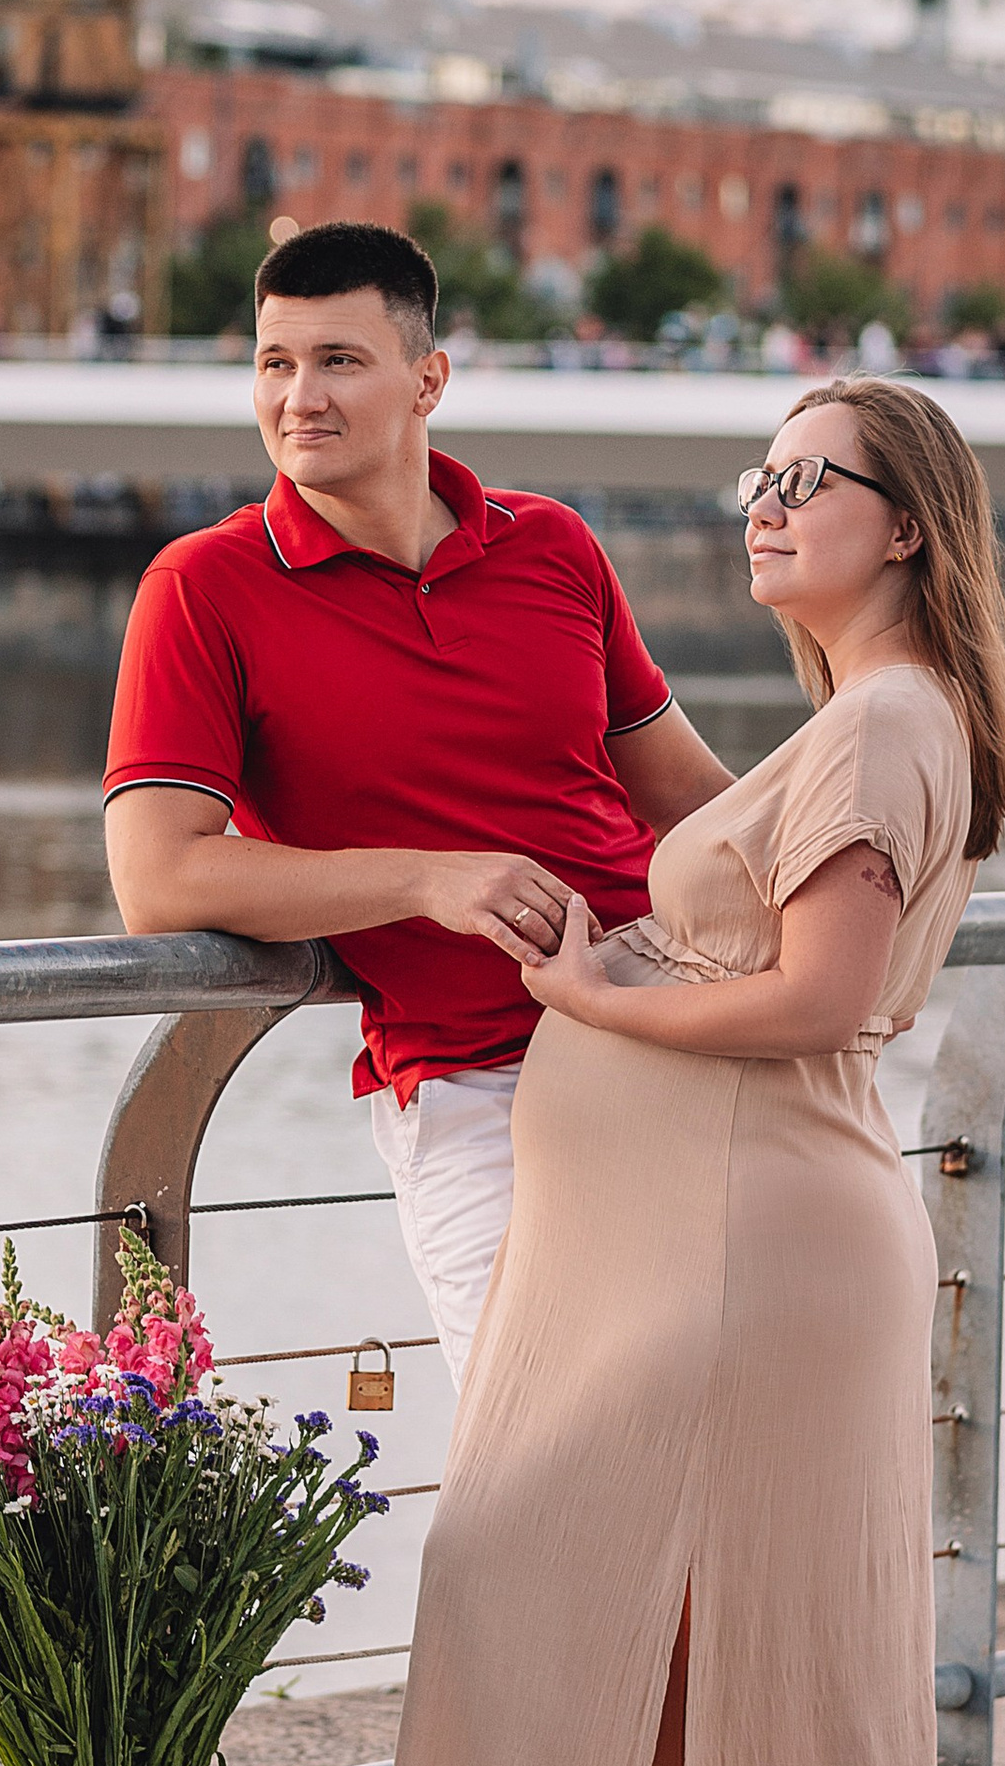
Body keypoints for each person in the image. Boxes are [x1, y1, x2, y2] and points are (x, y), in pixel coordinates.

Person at [376, 376, 1005, 1766]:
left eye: (814, 479)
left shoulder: (890, 723)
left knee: (565, 1573)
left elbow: (821, 996)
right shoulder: (858, 723)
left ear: (903, 526)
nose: (770, 498)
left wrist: (595, 987)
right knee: (736, 1619)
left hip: (747, 1237)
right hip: (718, 1232)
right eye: (764, 470)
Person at [103, 217, 732, 1384]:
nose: (299, 397)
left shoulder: (552, 545)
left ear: (427, 378)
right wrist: (431, 876)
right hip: (475, 1090)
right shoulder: (202, 589)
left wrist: (876, 839)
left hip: (683, 1034)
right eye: (274, 362)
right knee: (537, 1463)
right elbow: (160, 878)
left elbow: (694, 800)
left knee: (720, 1455)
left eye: (339, 360)